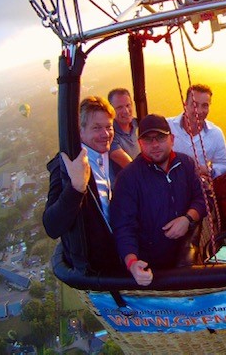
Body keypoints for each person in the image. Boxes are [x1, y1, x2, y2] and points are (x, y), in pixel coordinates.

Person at [110, 114, 207, 286]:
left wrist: (187, 219)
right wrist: (132, 264)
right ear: (140, 144)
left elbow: (203, 199)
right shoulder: (128, 178)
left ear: (172, 139)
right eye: (148, 139)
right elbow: (123, 227)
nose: (154, 145)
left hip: (186, 256)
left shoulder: (186, 164)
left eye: (160, 138)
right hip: (151, 267)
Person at [43, 96, 125, 276]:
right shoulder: (66, 164)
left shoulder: (106, 154)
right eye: (96, 128)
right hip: (95, 268)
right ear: (80, 131)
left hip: (117, 251)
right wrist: (76, 188)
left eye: (109, 127)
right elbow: (52, 226)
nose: (105, 134)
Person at [167, 84, 226, 178]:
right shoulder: (167, 126)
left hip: (199, 185)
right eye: (194, 105)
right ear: (185, 104)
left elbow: (224, 164)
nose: (199, 111)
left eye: (205, 106)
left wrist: (208, 170)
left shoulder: (216, 133)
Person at [108, 88, 140, 168]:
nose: (126, 111)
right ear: (111, 110)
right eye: (119, 107)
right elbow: (130, 166)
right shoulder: (110, 135)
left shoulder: (138, 124)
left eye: (128, 105)